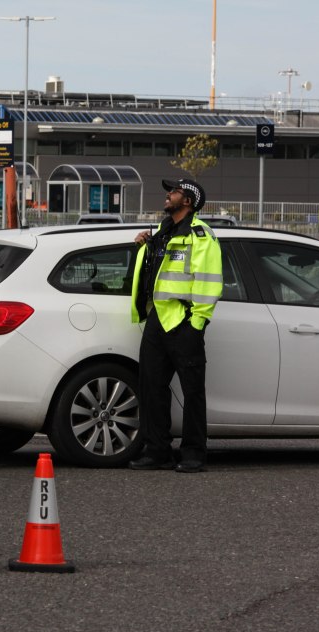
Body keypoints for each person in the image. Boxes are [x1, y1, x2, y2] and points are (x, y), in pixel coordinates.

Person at [128, 178, 223, 473]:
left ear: (188, 202)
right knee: (151, 388)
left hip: (184, 321)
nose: (168, 195)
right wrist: (142, 246)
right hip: (158, 320)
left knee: (193, 391)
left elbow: (210, 282)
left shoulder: (201, 236)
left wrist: (197, 323)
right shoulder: (160, 232)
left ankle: (194, 453)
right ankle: (157, 451)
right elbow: (152, 274)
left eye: (175, 192)